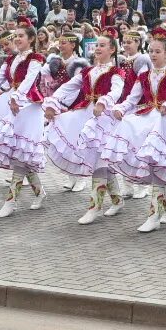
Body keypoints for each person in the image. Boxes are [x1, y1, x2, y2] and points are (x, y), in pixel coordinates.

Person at [104, 30, 166, 233]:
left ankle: (154, 215)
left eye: (158, 51)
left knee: (158, 166)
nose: (153, 55)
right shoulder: (143, 75)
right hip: (148, 121)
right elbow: (133, 99)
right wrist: (120, 108)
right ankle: (163, 208)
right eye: (151, 51)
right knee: (152, 165)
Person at [43, 33, 132, 224]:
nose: (98, 49)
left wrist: (104, 101)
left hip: (105, 118)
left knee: (100, 161)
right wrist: (53, 102)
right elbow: (68, 87)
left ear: (112, 50)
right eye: (96, 45)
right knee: (99, 161)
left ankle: (95, 207)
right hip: (86, 116)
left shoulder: (116, 72)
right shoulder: (87, 71)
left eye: (102, 45)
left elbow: (117, 90)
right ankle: (116, 200)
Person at [0, 18, 49, 219]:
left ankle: (11, 201)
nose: (17, 39)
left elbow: (30, 80)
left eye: (21, 36)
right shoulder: (10, 60)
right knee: (20, 154)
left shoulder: (36, 58)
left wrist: (16, 97)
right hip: (12, 102)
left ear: (31, 39)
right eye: (16, 36)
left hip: (29, 105)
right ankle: (39, 192)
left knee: (21, 152)